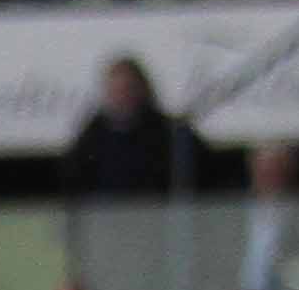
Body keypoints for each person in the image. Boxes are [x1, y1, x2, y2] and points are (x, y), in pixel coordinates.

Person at [63, 54, 204, 202]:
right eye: (116, 91)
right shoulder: (91, 138)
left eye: (129, 89)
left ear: (143, 89)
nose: (123, 97)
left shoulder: (172, 135)